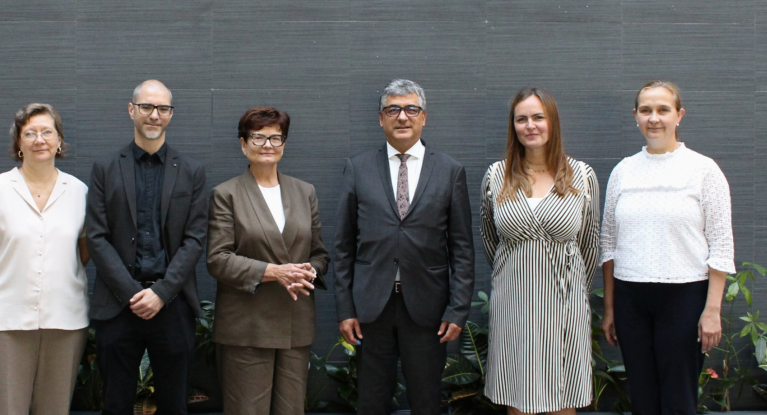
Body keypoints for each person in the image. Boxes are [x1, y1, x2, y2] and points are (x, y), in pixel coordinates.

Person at [332, 79, 475, 415]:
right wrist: (345, 309)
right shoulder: (358, 168)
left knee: (426, 402)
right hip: (371, 308)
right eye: (393, 109)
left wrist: (457, 310)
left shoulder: (450, 171)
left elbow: (462, 249)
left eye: (411, 109)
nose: (402, 117)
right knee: (371, 401)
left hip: (428, 310)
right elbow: (342, 246)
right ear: (381, 118)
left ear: (424, 117)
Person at [599, 81, 734, 415]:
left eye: (663, 110)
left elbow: (721, 245)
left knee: (678, 398)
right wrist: (611, 308)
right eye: (646, 110)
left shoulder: (704, 170)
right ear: (635, 115)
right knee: (642, 397)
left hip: (684, 298)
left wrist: (712, 310)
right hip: (631, 300)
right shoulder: (623, 171)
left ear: (679, 115)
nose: (654, 118)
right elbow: (609, 244)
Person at [85, 79, 208, 415]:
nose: (155, 115)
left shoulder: (192, 171)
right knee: (115, 404)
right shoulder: (105, 168)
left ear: (171, 114)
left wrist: (161, 292)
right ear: (131, 110)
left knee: (174, 405)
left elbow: (195, 239)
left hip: (173, 304)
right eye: (147, 107)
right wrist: (132, 293)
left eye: (163, 108)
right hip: (118, 305)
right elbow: (97, 237)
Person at [479, 88, 599, 414]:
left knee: (563, 395)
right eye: (521, 119)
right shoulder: (496, 175)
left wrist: (574, 289)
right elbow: (490, 240)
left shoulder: (581, 175)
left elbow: (589, 243)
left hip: (565, 303)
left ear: (552, 121)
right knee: (518, 393)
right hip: (514, 303)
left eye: (538, 117)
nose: (530, 125)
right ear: (513, 126)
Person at [0, 103, 90, 415]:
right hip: (6, 323)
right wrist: (9, 280)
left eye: (47, 131)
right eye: (30, 133)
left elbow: (83, 252)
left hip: (65, 321)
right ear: (18, 143)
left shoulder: (79, 193)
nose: (40, 139)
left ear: (59, 140)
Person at [206, 107, 329, 415]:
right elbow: (218, 259)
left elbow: (320, 254)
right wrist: (275, 272)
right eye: (258, 137)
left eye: (276, 137)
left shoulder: (305, 192)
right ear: (243, 143)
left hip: (295, 322)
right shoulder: (226, 194)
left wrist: (308, 271)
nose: (268, 145)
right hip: (247, 325)